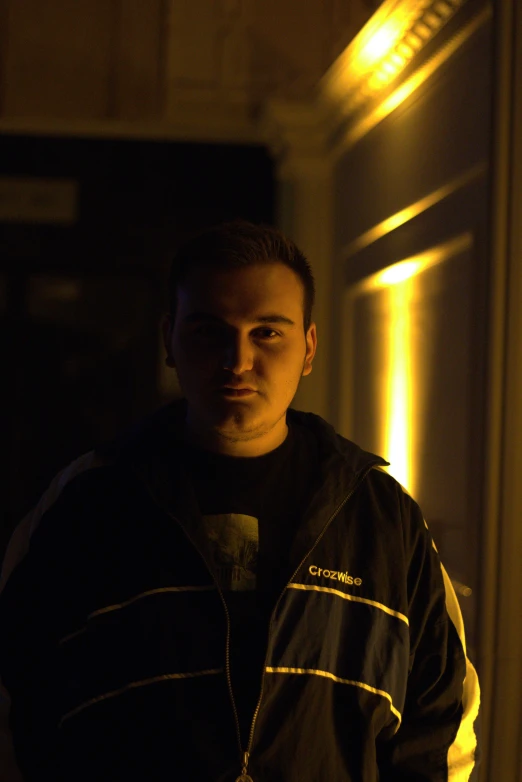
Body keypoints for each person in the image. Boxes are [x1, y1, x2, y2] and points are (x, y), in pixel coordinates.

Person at [0, 220, 480, 781]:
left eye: (267, 332)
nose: (238, 360)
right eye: (209, 331)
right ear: (169, 341)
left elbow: (440, 718)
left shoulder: (380, 515)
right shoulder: (86, 504)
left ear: (308, 346)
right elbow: (16, 700)